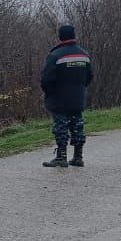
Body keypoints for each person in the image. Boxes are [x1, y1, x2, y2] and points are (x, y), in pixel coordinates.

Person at [40, 23, 93, 168]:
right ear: (74, 35)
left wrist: (49, 92)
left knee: (61, 126)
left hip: (59, 98)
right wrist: (80, 88)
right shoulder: (84, 55)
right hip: (78, 97)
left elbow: (46, 79)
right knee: (77, 125)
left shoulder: (55, 55)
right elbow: (89, 76)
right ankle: (78, 156)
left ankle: (61, 157)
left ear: (60, 37)